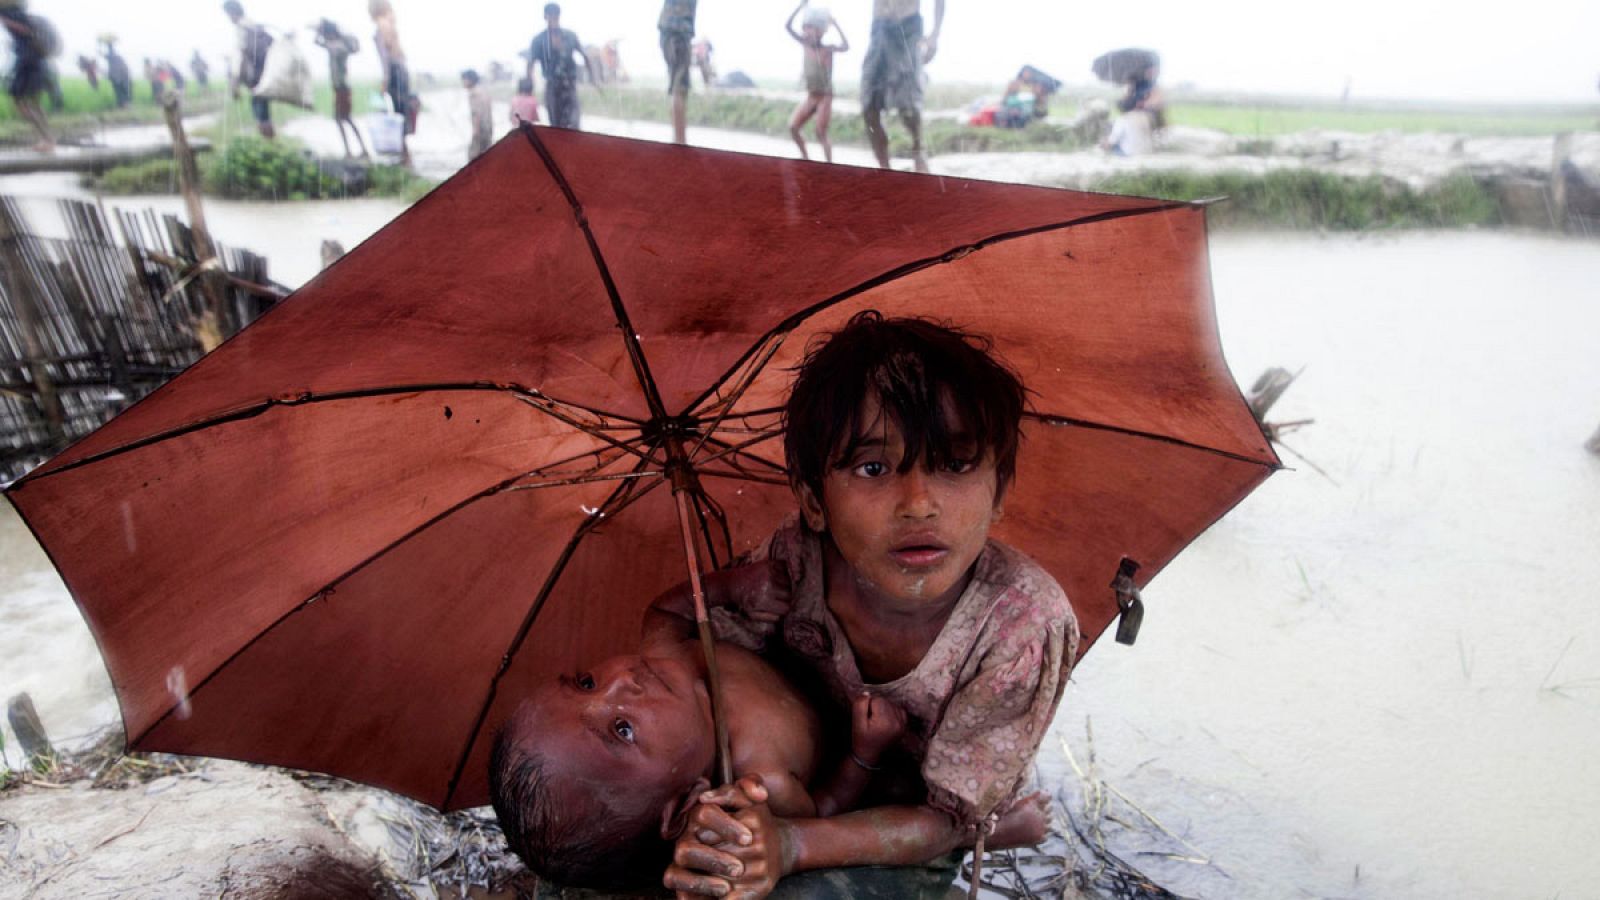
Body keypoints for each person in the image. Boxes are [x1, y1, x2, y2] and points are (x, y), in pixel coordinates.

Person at [647, 312, 1077, 897]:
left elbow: (942, 816)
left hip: (919, 811)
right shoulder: (794, 561)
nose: (919, 504)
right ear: (813, 502)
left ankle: (997, 827)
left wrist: (790, 846)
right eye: (873, 468)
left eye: (955, 464)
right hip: (817, 774)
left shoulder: (1021, 628)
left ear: (999, 490)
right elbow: (719, 673)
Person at [488, 635, 945, 890]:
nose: (621, 680)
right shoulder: (762, 780)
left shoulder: (669, 660)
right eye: (623, 729)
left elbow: (664, 615)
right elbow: (827, 809)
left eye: (586, 682)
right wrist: (863, 755)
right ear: (685, 802)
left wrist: (735, 588)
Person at [861, 0, 943, 173]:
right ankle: (885, 168)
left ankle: (919, 150)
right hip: (879, 28)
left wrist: (935, 35)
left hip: (908, 25)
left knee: (908, 105)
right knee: (868, 105)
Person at [784, 3, 848, 163]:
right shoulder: (805, 45)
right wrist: (800, 6)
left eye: (810, 29)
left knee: (820, 131)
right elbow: (788, 26)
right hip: (812, 96)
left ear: (819, 32)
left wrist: (835, 23)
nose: (806, 32)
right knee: (793, 127)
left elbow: (846, 46)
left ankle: (829, 165)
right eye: (805, 29)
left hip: (825, 96)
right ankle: (805, 158)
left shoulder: (827, 49)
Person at [527, 3, 595, 131]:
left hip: (569, 86)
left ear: (559, 16)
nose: (553, 19)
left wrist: (593, 79)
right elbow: (530, 63)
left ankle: (574, 148)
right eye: (550, 16)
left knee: (574, 124)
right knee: (556, 126)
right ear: (545, 17)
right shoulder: (539, 40)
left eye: (555, 16)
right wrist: (529, 87)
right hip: (552, 87)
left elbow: (584, 56)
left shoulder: (570, 36)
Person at [369, 0, 416, 166]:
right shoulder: (390, 24)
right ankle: (405, 154)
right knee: (401, 113)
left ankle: (405, 156)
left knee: (398, 113)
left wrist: (385, 80)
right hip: (401, 71)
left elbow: (385, 57)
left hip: (394, 73)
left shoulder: (381, 25)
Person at [1, 4, 53, 152]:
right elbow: (26, 34)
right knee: (33, 103)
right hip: (34, 64)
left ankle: (47, 140)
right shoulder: (19, 15)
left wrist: (6, 21)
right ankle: (47, 139)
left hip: (28, 64)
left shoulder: (13, 16)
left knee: (22, 104)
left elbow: (26, 31)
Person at [314, 19, 368, 158]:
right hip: (340, 89)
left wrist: (319, 32)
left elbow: (320, 43)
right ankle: (355, 150)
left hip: (342, 88)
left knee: (344, 119)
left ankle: (353, 150)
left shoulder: (337, 46)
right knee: (344, 119)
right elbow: (318, 43)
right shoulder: (338, 45)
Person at [223, 1, 275, 139]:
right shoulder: (255, 26)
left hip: (254, 78)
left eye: (228, 15)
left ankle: (269, 146)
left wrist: (234, 83)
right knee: (264, 113)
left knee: (260, 115)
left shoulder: (242, 28)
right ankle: (272, 145)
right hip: (263, 75)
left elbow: (239, 56)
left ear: (232, 13)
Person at [657, 0, 695, 144]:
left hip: (669, 30)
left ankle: (678, 140)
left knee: (677, 87)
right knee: (679, 88)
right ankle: (680, 143)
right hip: (679, 32)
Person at [462, 68, 493, 160]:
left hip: (480, 129)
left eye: (464, 79)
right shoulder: (483, 91)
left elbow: (476, 113)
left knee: (473, 157)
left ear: (470, 80)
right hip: (487, 128)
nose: (463, 82)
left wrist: (476, 130)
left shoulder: (473, 94)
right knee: (486, 156)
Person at [101, 36, 132, 108]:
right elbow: (105, 55)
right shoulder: (116, 58)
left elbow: (105, 55)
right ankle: (123, 104)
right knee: (121, 91)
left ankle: (123, 104)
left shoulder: (112, 58)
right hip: (119, 76)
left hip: (118, 77)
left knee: (120, 91)